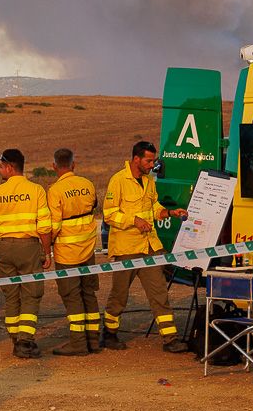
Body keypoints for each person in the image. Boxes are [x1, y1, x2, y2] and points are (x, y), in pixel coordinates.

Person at [101, 141, 189, 352]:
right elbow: (109, 214)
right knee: (119, 295)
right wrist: (134, 220)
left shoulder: (149, 181)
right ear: (136, 159)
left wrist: (169, 212)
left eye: (153, 161)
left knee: (159, 293)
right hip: (126, 248)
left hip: (148, 247)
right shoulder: (118, 180)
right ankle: (109, 333)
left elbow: (155, 207)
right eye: (149, 161)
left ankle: (170, 339)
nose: (152, 165)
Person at [0, 148, 52, 359]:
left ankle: (15, 338)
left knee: (11, 295)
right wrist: (47, 252)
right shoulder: (36, 190)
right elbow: (44, 226)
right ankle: (25, 341)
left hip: (4, 247)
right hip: (28, 247)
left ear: (10, 167)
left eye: (1, 166)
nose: (0, 170)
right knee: (31, 294)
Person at [46, 148, 101, 356]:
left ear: (54, 166)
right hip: (88, 250)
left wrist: (46, 249)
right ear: (73, 165)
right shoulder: (87, 184)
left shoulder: (55, 191)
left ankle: (78, 343)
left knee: (72, 297)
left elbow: (54, 226)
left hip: (67, 253)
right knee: (89, 293)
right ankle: (93, 340)